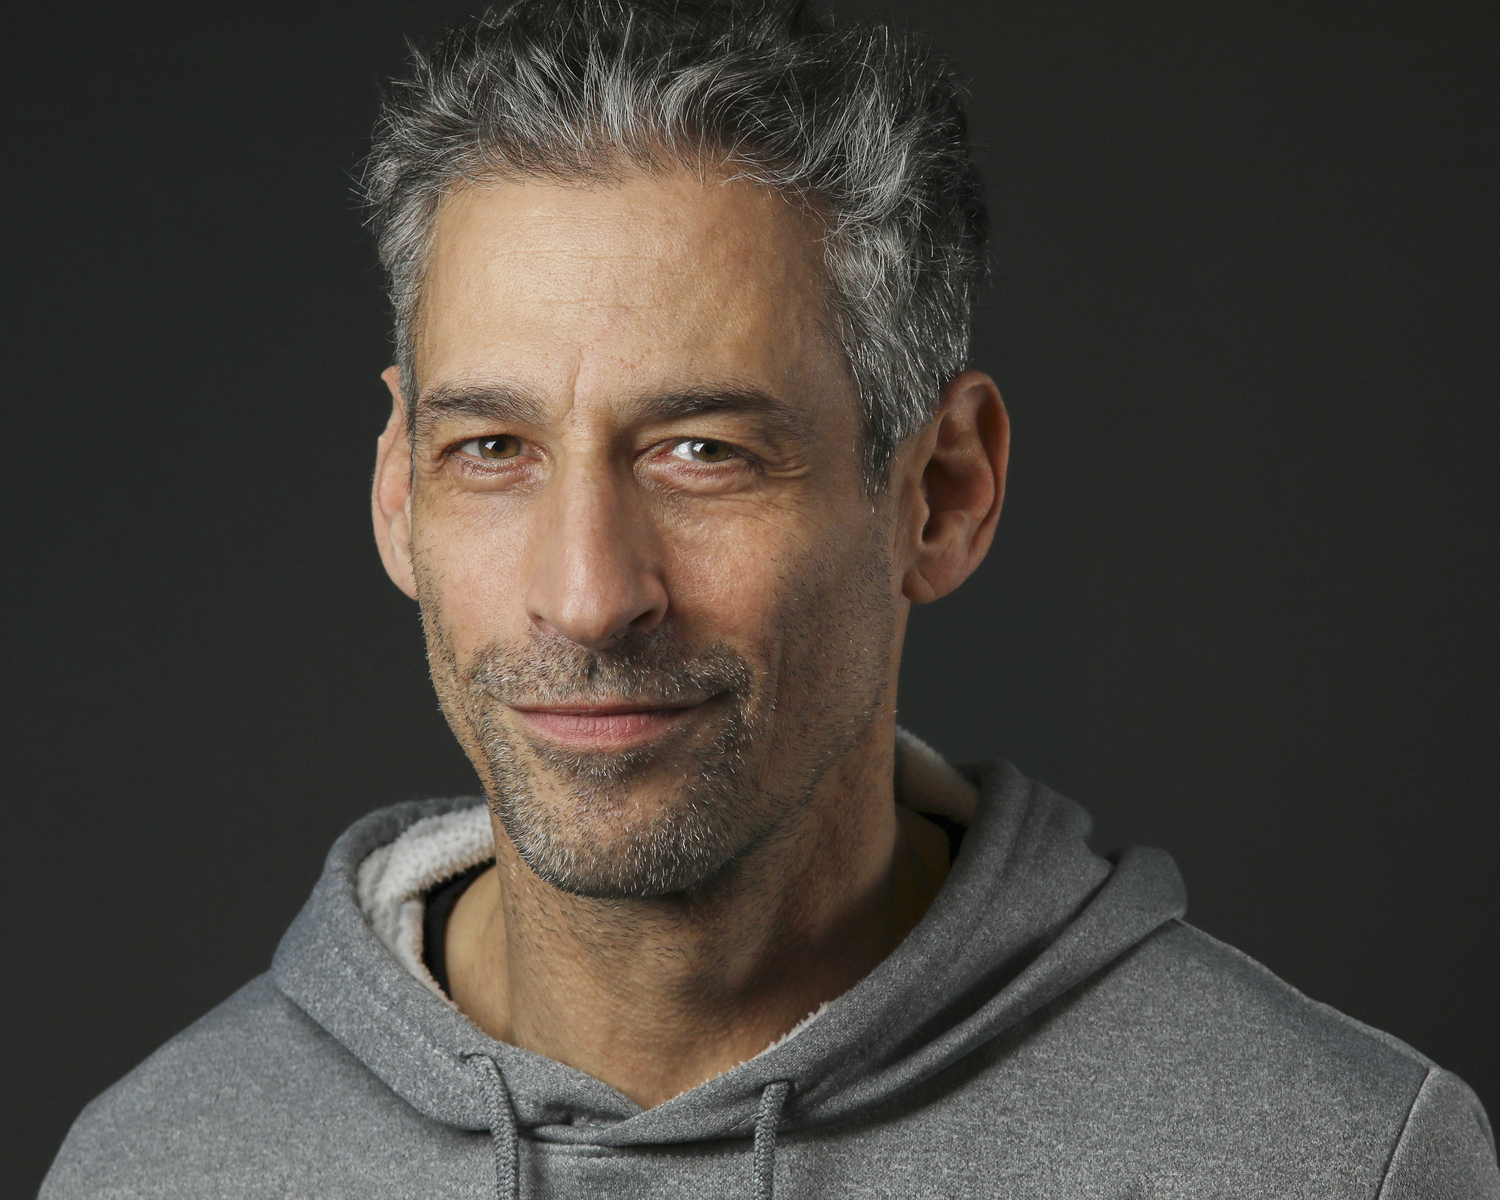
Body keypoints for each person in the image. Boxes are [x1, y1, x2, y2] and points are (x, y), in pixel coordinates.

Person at [41, 1, 1499, 1196]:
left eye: (704, 452)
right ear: (395, 492)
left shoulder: (1336, 1163)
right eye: (492, 450)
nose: (587, 595)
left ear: (942, 493)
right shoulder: (153, 1169)